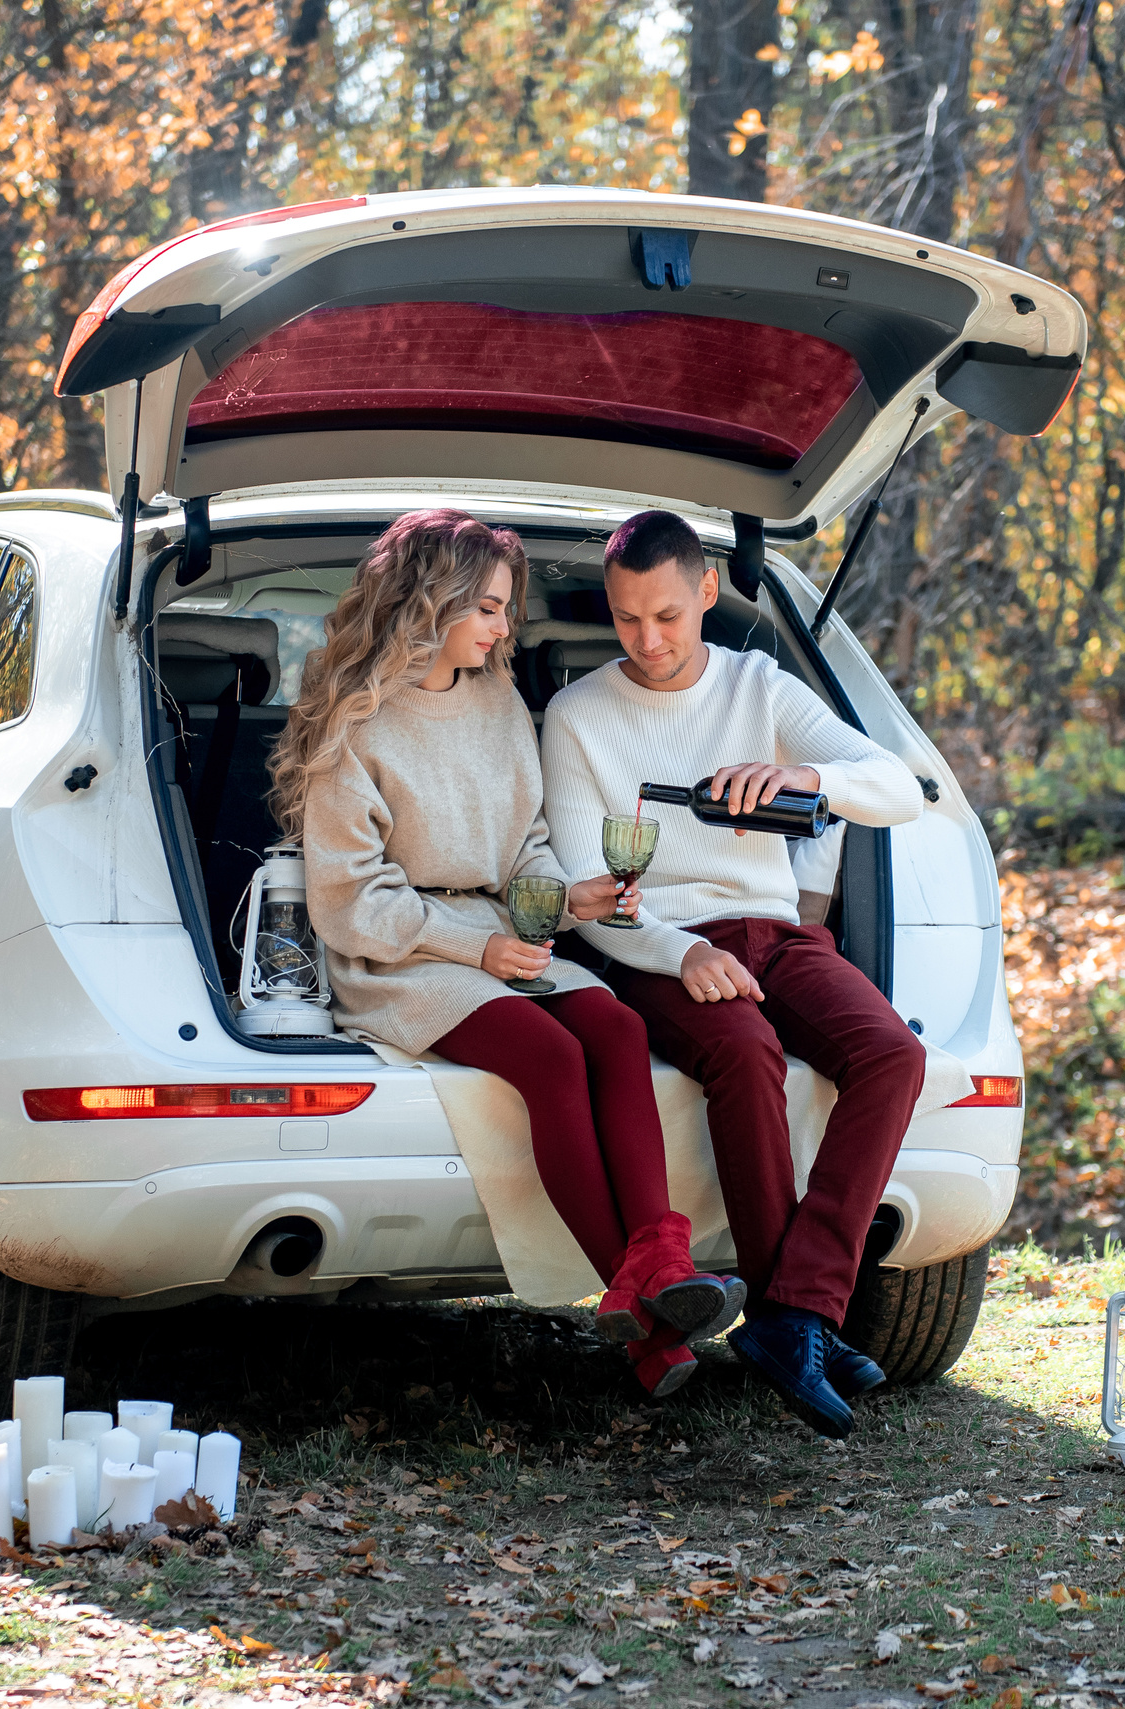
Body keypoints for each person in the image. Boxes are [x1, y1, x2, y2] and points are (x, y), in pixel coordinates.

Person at [271, 509, 744, 1398]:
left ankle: (663, 1260)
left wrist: (567, 899)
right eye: (487, 608)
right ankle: (645, 1315)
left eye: (504, 609)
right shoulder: (355, 723)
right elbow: (351, 902)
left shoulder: (495, 696)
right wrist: (478, 948)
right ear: (429, 598)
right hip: (402, 957)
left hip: (502, 935)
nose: (502, 628)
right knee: (552, 1056)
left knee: (608, 1021)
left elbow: (525, 841)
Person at [538, 509, 927, 1438]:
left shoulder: (760, 684)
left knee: (891, 1055)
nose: (650, 639)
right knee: (746, 1053)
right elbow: (576, 881)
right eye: (629, 619)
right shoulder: (578, 716)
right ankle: (796, 1324)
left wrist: (808, 782)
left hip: (776, 931)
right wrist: (683, 953)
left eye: (668, 615)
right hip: (656, 942)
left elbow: (901, 788)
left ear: (707, 590)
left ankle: (795, 1313)